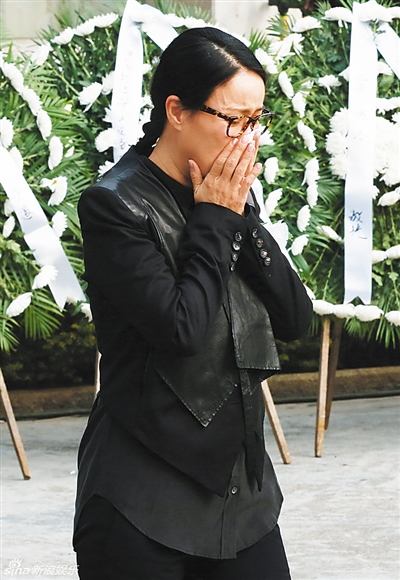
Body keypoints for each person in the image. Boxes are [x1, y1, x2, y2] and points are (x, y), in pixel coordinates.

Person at [73, 26, 313, 580]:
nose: (247, 138)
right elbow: (182, 330)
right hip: (142, 490)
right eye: (233, 119)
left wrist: (238, 217)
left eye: (256, 120)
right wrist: (215, 220)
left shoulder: (226, 192)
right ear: (176, 111)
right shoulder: (116, 205)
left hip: (241, 492)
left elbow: (294, 318)